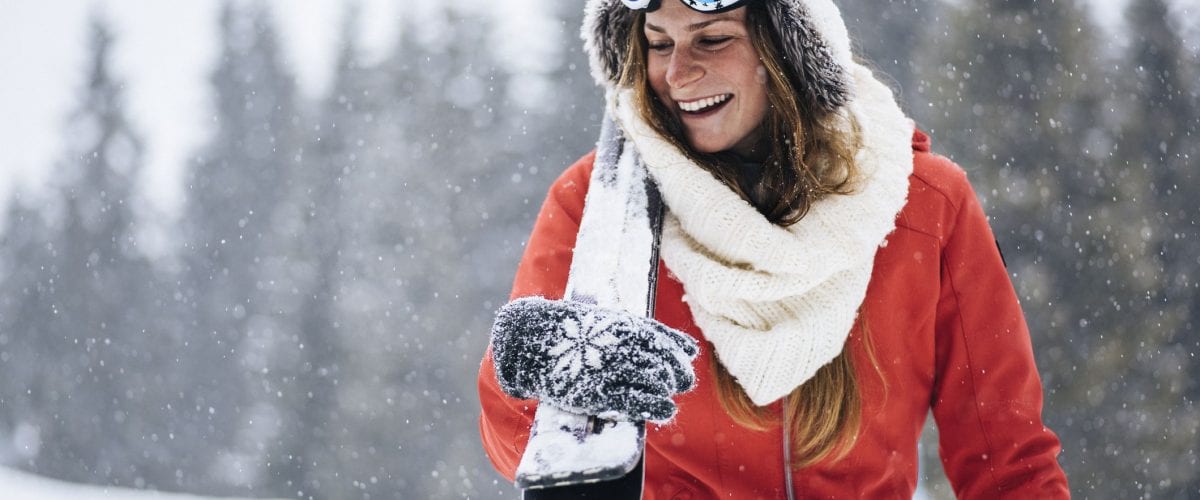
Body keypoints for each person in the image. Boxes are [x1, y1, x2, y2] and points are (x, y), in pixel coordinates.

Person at [478, 0, 1071, 497]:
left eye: (711, 39)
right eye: (659, 44)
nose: (678, 73)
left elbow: (1008, 461)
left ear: (787, 50)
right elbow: (524, 449)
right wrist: (532, 378)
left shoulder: (923, 204)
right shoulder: (601, 204)